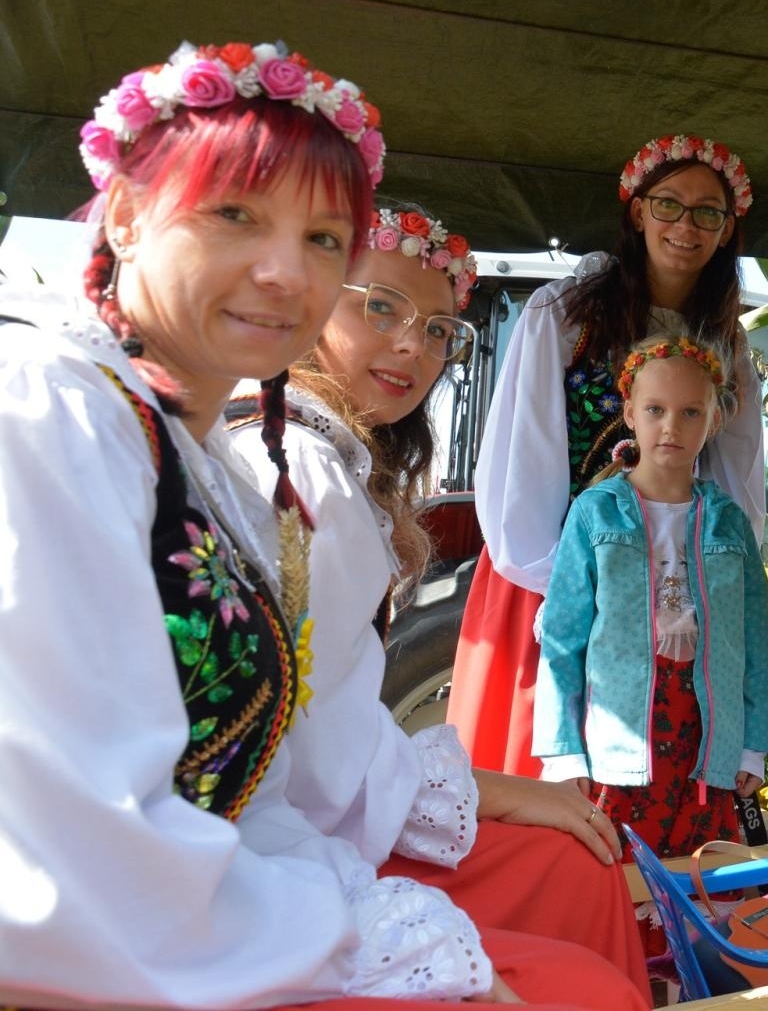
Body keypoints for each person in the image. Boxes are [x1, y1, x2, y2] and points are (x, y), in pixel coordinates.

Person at [0, 40, 645, 1009]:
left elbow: (258, 773)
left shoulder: (192, 450)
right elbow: (61, 842)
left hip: (191, 896)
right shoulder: (54, 411)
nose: (281, 272)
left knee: (572, 956)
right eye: (235, 216)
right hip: (108, 936)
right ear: (127, 216)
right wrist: (385, 932)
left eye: (321, 240)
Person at [226, 203, 650, 1001]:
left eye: (440, 331)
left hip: (306, 823)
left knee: (577, 864)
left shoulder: (330, 464)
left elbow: (337, 735)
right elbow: (317, 769)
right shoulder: (301, 476)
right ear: (314, 302)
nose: (412, 347)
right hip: (276, 857)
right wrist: (507, 790)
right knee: (587, 968)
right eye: (381, 307)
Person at [449, 134, 766, 777]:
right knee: (546, 762)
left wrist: (717, 586)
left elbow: (738, 481)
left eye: (709, 212)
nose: (686, 225)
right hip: (544, 570)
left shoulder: (727, 348)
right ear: (638, 211)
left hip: (664, 577)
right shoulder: (569, 313)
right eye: (669, 204)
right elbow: (523, 453)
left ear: (727, 230)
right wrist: (559, 587)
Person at [533, 334, 768, 860]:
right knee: (617, 870)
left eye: (690, 412)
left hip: (709, 734)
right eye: (656, 409)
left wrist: (752, 744)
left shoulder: (731, 522)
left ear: (712, 421)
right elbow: (561, 641)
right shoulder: (595, 514)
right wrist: (563, 753)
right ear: (630, 413)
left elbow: (757, 644)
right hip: (619, 737)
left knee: (701, 868)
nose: (672, 426)